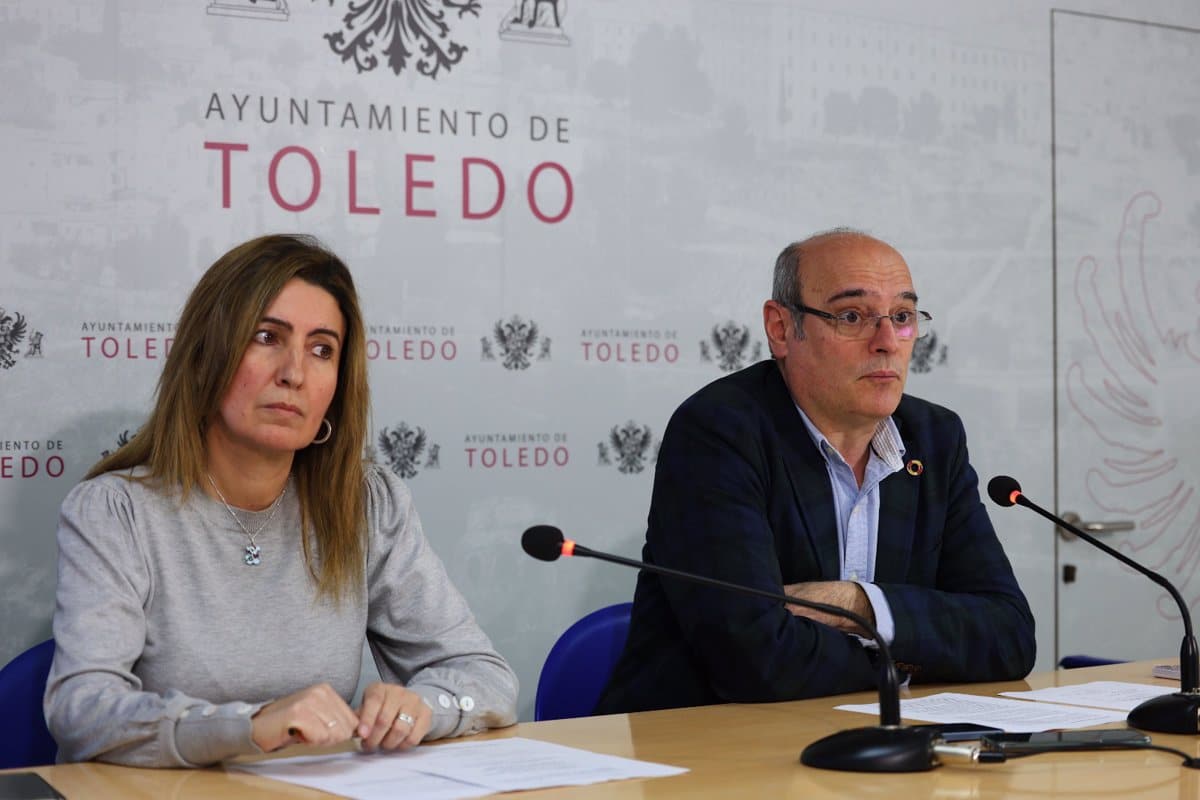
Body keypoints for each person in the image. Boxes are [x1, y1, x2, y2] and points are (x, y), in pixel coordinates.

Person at [45, 234, 518, 767]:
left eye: (322, 350)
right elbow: (82, 710)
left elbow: (486, 678)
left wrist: (421, 708)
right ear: (206, 356)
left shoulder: (366, 504)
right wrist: (249, 726)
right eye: (267, 337)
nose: (294, 373)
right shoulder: (115, 512)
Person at [596, 229, 1036, 714]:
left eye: (903, 317)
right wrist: (918, 650)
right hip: (710, 753)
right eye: (852, 316)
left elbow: (1009, 636)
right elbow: (755, 661)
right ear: (782, 328)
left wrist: (859, 605)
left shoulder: (935, 438)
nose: (887, 342)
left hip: (877, 746)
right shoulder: (720, 432)